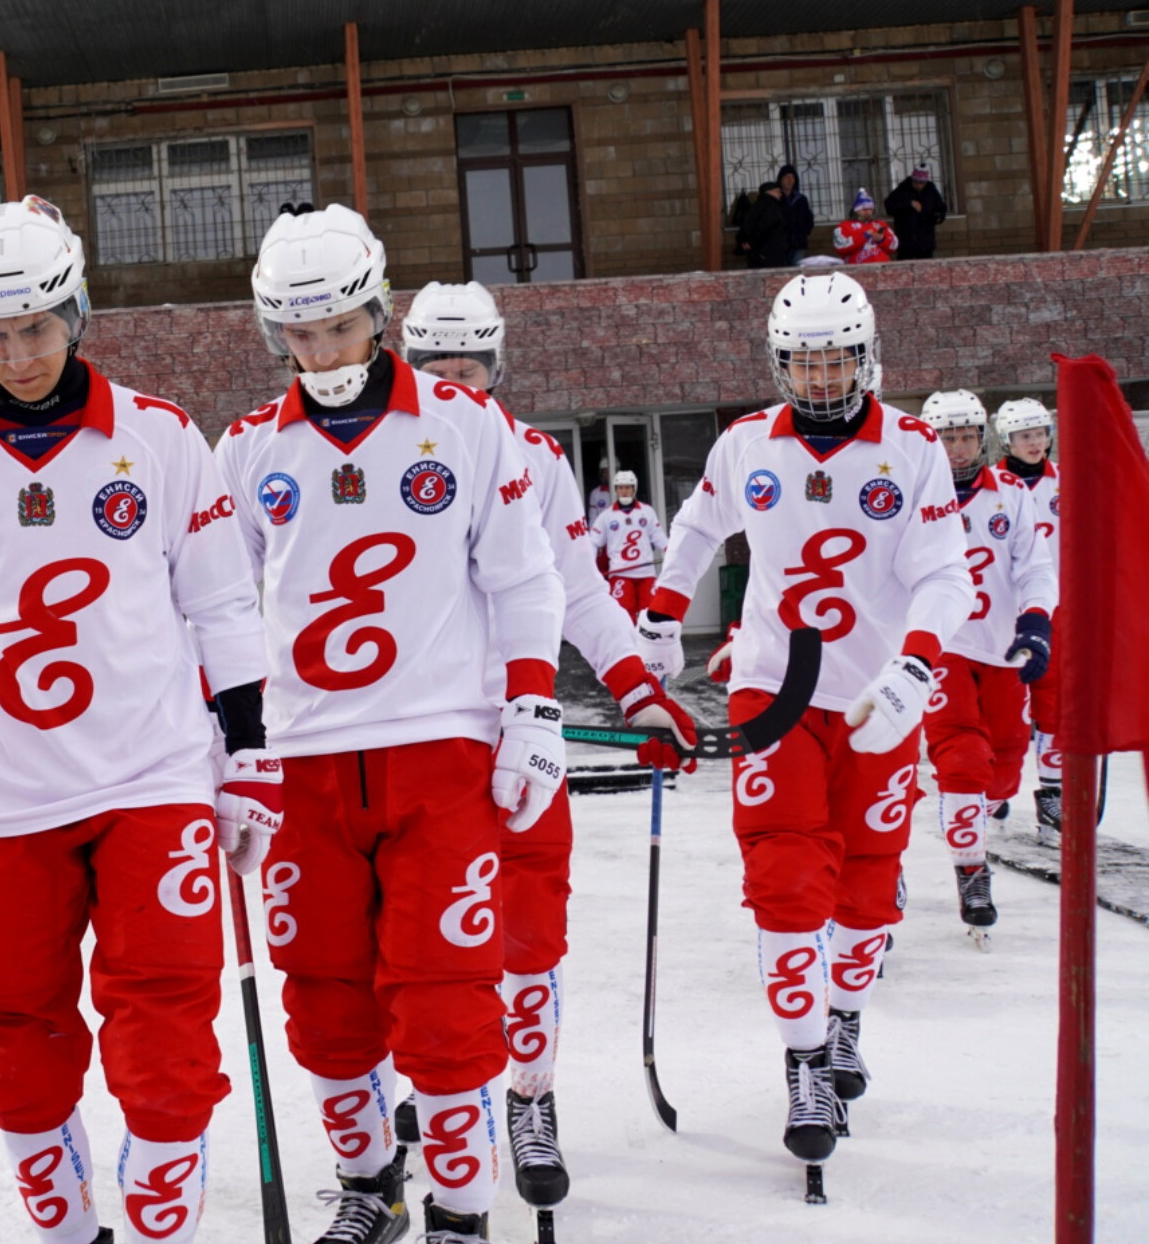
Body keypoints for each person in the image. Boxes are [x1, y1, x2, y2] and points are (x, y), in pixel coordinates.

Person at [0, 196, 273, 1244]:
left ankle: (160, 1218)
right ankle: (65, 1229)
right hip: (8, 792)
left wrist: (251, 747)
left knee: (167, 1027)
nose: (18, 354)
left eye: (37, 329)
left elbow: (222, 599)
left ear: (76, 315)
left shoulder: (163, 434)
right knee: (14, 1029)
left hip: (154, 777)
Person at [215, 207, 567, 1244]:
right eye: (297, 333)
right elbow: (220, 609)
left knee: (448, 995)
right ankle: (372, 1183)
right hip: (302, 763)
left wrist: (534, 707)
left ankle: (463, 1209)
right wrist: (227, 750)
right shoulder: (243, 446)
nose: (318, 353)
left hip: (439, 753)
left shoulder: (463, 423)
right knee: (325, 999)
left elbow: (522, 574)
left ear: (376, 312)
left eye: (335, 328)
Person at [637, 271, 970, 1174]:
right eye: (805, 363)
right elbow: (701, 525)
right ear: (781, 365)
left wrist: (916, 664)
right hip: (773, 687)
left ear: (867, 357)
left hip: (876, 696)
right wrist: (665, 612)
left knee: (866, 888)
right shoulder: (747, 443)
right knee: (786, 876)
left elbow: (947, 574)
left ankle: (845, 1018)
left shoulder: (912, 447)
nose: (822, 379)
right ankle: (805, 1060)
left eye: (837, 362)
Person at [393, 281, 697, 1218]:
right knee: (423, 949)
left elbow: (579, 592)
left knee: (527, 933)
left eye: (470, 368)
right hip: (414, 750)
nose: (454, 384)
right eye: (434, 368)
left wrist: (639, 689)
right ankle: (452, 1101)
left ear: (495, 368)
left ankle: (530, 1097)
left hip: (520, 742)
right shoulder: (369, 457)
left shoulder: (531, 458)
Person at [917, 391, 1055, 942]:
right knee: (963, 761)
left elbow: (1035, 566)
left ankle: (972, 812)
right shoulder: (907, 495)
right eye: (945, 438)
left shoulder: (1012, 494)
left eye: (966, 436)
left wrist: (1037, 622)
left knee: (1004, 768)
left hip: (1001, 648)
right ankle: (971, 870)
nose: (955, 448)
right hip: (940, 647)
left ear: (983, 438)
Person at [993, 397, 1065, 837]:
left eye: (1039, 434)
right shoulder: (992, 486)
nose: (1035, 443)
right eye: (1025, 436)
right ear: (1007, 440)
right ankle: (994, 787)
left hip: (1057, 608)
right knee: (1003, 709)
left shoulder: (1067, 482)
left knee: (1056, 704)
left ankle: (1053, 792)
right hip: (1003, 610)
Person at [590, 468, 671, 623]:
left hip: (645, 573)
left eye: (628, 487)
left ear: (634, 488)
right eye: (621, 488)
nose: (624, 491)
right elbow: (593, 541)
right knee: (624, 615)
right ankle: (627, 647)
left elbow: (659, 537)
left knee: (648, 615)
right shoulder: (606, 516)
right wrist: (589, 565)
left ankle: (644, 647)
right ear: (616, 490)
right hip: (621, 574)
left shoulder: (647, 511)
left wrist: (672, 551)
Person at [885, 165, 948, 261]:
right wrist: (909, 204)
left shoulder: (931, 190)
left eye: (922, 183)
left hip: (925, 239)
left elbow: (941, 207)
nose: (919, 185)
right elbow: (889, 206)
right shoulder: (902, 189)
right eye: (916, 182)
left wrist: (938, 216)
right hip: (906, 239)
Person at [831, 189, 896, 265]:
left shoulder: (881, 224)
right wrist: (864, 236)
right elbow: (840, 246)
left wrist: (882, 240)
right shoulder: (844, 226)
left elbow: (895, 245)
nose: (868, 212)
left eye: (870, 209)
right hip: (856, 270)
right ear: (856, 210)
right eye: (864, 209)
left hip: (883, 269)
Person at [736, 180, 792, 269]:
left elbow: (746, 226)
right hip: (769, 254)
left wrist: (746, 242)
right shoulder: (770, 206)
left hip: (757, 254)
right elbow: (764, 227)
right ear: (769, 192)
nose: (780, 194)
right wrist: (752, 242)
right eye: (777, 191)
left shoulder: (757, 206)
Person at [778, 164, 816, 265]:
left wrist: (804, 232)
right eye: (787, 177)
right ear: (780, 179)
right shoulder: (776, 199)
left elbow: (808, 218)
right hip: (781, 245)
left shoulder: (801, 199)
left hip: (799, 243)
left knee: (795, 270)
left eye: (792, 177)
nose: (790, 180)